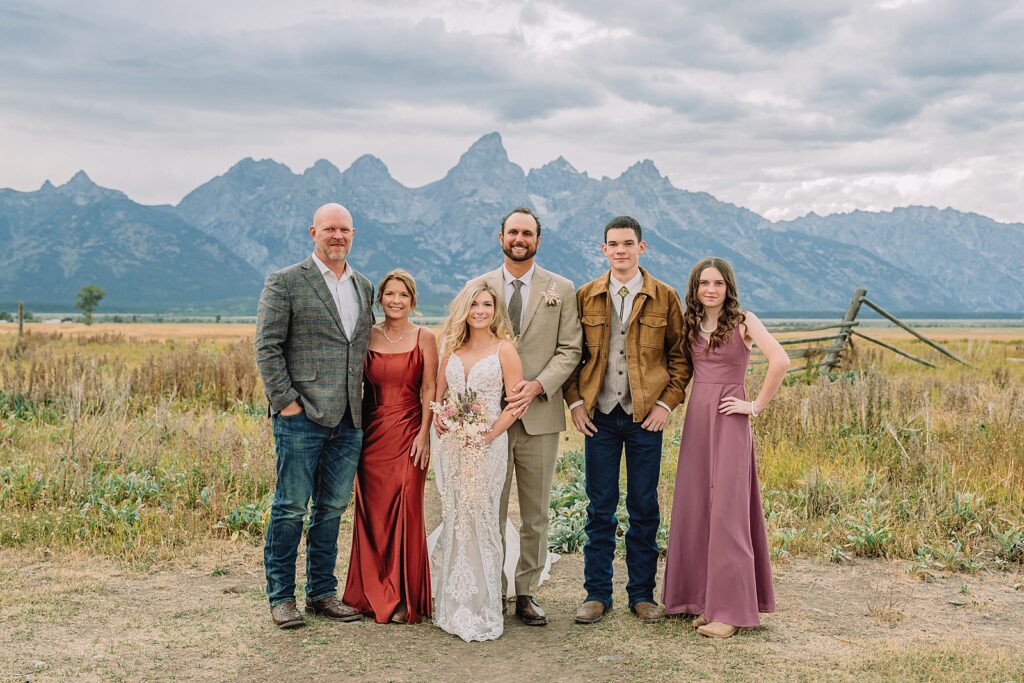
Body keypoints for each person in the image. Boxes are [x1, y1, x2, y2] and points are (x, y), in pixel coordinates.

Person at [563, 216, 689, 625]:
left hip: (643, 419)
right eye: (613, 244)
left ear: (642, 247)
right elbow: (570, 355)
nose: (620, 250)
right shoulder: (585, 296)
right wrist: (575, 404)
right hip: (598, 416)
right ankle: (596, 594)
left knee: (643, 507)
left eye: (628, 243)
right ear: (603, 250)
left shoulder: (665, 297)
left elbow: (680, 360)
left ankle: (642, 595)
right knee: (599, 508)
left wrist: (665, 406)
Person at [255, 202, 374, 629]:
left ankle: (322, 593)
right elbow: (266, 346)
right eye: (329, 229)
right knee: (289, 508)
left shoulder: (364, 285)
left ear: (353, 234)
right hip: (300, 416)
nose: (337, 236)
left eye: (344, 229)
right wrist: (286, 402)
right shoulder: (286, 281)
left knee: (332, 508)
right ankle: (281, 597)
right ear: (313, 233)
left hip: (349, 419)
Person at [464, 207, 582, 626]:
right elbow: (463, 343)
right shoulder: (478, 287)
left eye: (527, 232)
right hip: (488, 421)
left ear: (538, 239)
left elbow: (571, 349)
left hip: (540, 416)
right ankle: (492, 589)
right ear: (501, 238)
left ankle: (527, 592)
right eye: (512, 231)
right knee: (489, 509)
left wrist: (537, 385)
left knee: (536, 512)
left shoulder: (562, 288)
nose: (520, 238)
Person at [662, 257, 785, 638]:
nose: (710, 289)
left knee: (729, 512)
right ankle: (704, 601)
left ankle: (731, 612)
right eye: (703, 283)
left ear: (728, 287)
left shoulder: (744, 321)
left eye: (717, 283)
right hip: (698, 419)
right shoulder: (691, 323)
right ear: (695, 288)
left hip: (731, 419)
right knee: (697, 506)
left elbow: (780, 361)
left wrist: (754, 405)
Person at [431, 282, 527, 642]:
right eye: (474, 305)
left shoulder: (505, 350)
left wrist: (486, 436)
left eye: (487, 304)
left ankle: (485, 604)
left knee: (482, 516)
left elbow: (515, 404)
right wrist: (442, 419)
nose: (481, 311)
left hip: (488, 446)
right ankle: (453, 601)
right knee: (456, 515)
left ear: (494, 310)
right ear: (465, 310)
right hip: (454, 446)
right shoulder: (451, 349)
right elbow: (439, 398)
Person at [342, 269, 438, 625]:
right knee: (372, 515)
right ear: (379, 298)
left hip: (411, 431)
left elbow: (430, 389)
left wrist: (424, 434)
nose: (396, 301)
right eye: (389, 294)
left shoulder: (425, 337)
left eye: (403, 295)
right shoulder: (365, 335)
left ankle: (404, 599)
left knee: (406, 511)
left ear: (413, 301)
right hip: (372, 435)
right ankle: (369, 594)